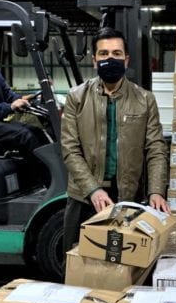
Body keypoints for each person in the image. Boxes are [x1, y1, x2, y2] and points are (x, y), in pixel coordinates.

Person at [61, 26, 170, 253]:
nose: (110, 59)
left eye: (116, 54)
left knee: (124, 264)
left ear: (126, 60)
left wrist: (156, 190)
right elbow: (70, 149)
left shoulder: (144, 99)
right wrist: (93, 190)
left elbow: (155, 149)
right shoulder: (76, 97)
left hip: (128, 197)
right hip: (85, 197)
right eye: (104, 54)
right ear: (94, 60)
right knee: (77, 263)